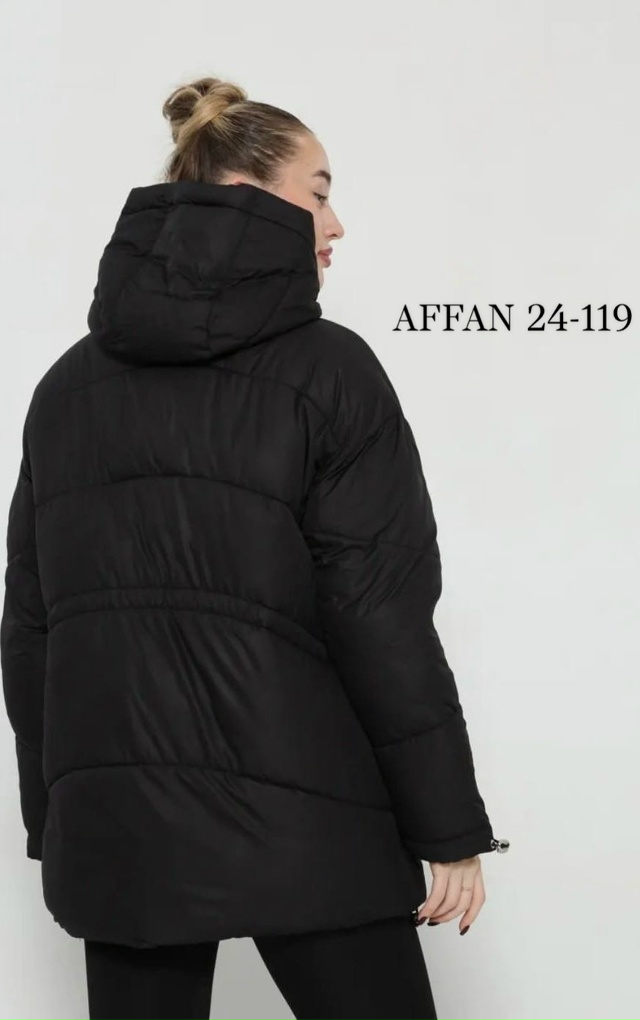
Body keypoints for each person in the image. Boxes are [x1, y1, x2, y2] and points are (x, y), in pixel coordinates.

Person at [0, 75, 509, 1020]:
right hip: (313, 822)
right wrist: (448, 828)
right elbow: (380, 614)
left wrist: (60, 818)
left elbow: (30, 631)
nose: (337, 223)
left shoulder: (66, 388)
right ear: (247, 193)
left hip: (124, 834)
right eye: (319, 192)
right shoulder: (331, 369)